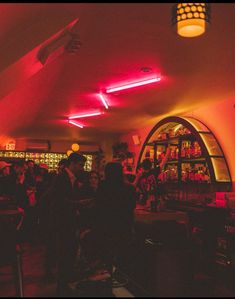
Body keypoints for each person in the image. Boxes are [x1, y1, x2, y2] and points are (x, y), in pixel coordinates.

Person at [50, 152, 87, 296]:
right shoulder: (61, 178)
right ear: (72, 163)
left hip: (66, 221)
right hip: (62, 222)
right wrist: (78, 203)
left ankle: (65, 284)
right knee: (66, 253)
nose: (82, 168)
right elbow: (59, 201)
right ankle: (63, 287)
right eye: (80, 165)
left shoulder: (70, 178)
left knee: (68, 253)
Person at [93, 162, 137, 274]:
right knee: (123, 258)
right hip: (124, 228)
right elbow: (131, 206)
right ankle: (121, 281)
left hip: (106, 228)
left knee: (107, 256)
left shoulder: (103, 186)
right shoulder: (129, 188)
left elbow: (98, 207)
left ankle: (108, 280)